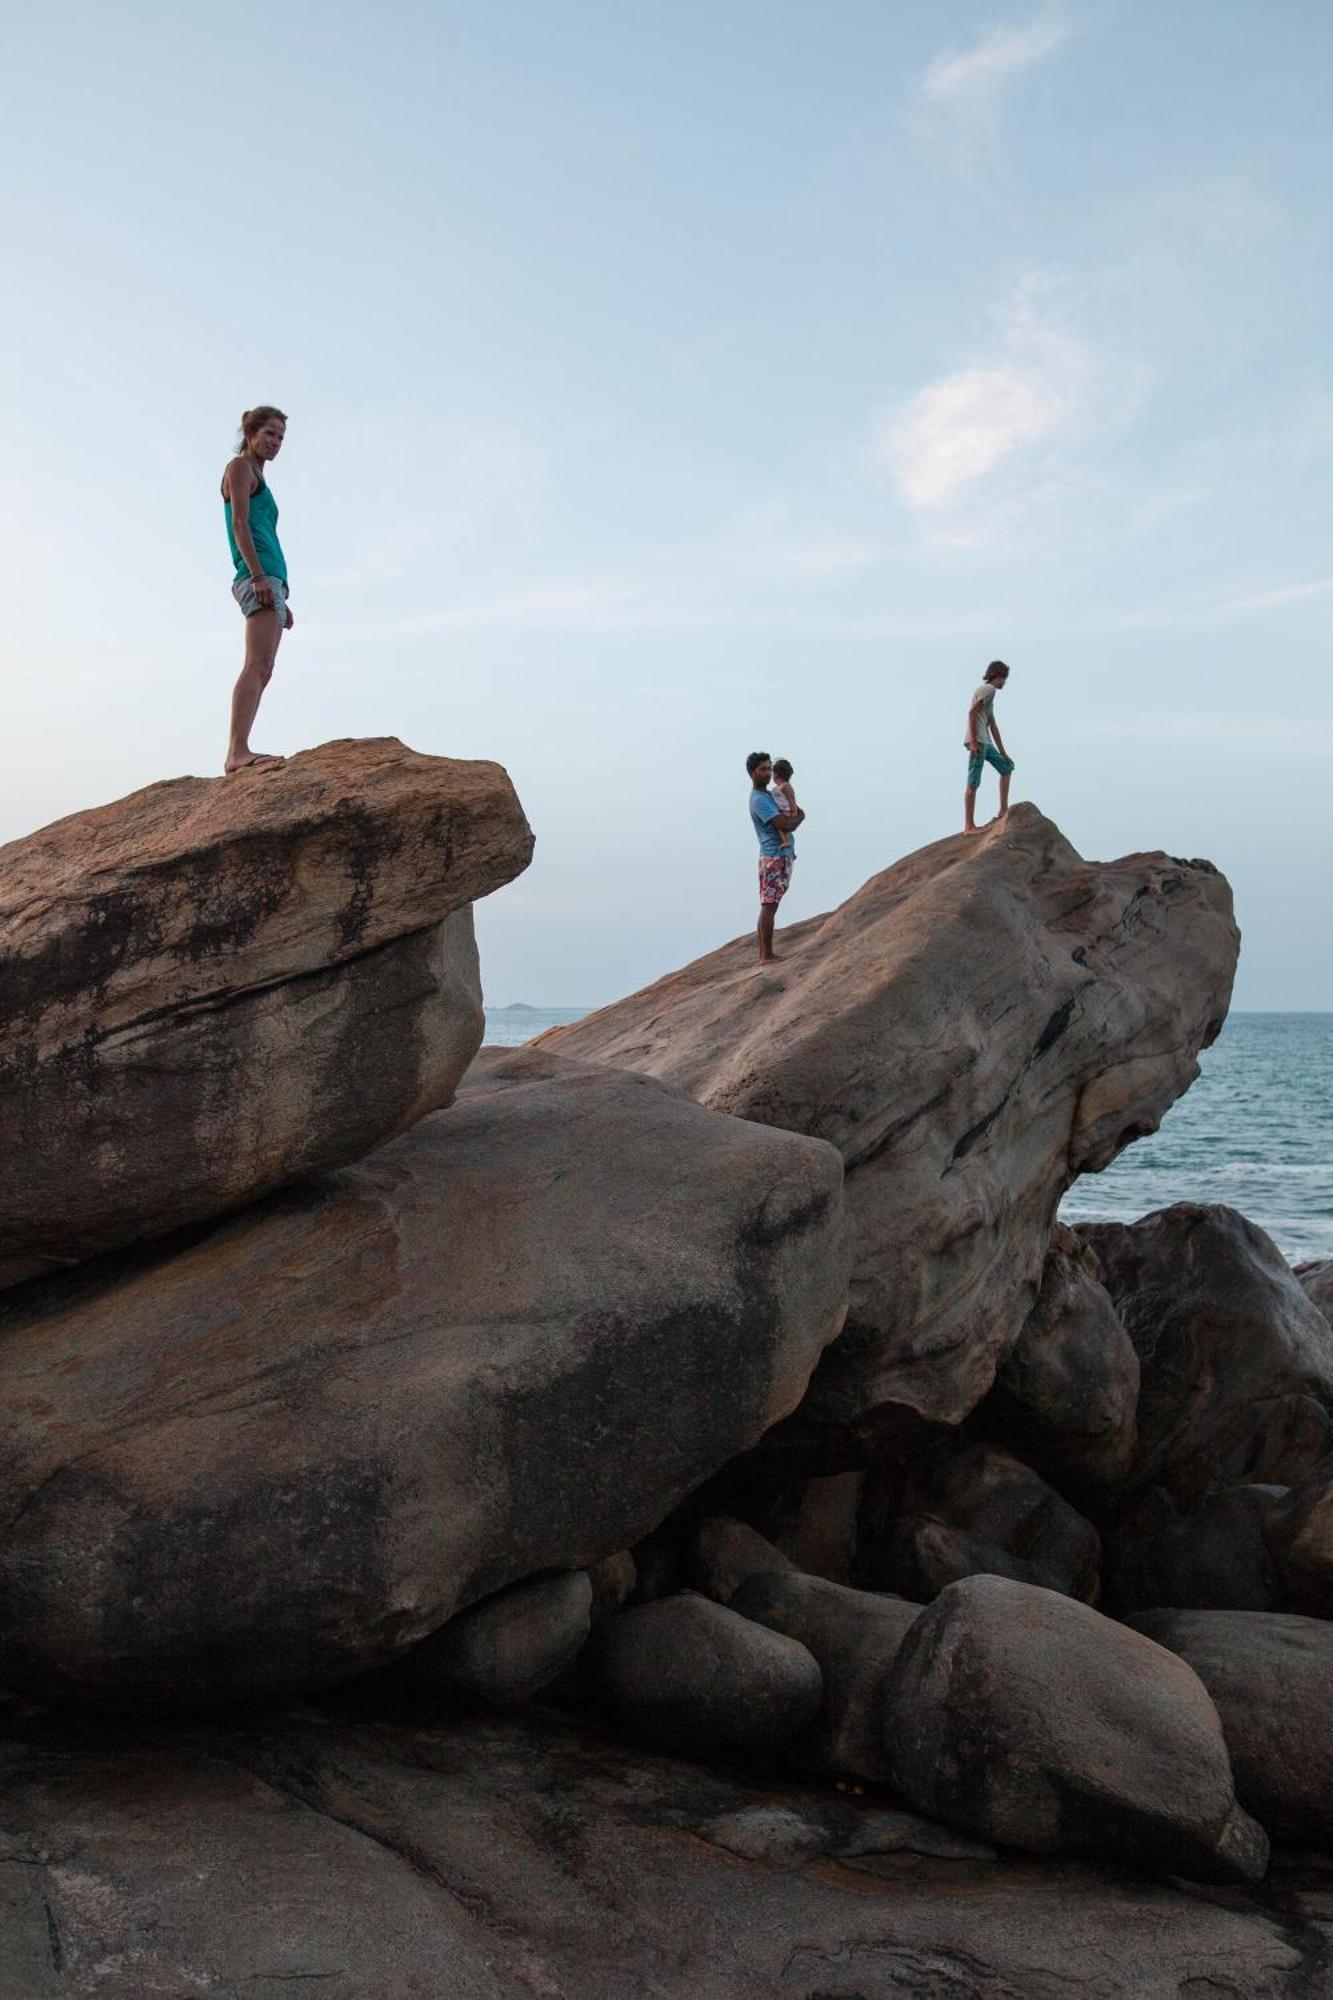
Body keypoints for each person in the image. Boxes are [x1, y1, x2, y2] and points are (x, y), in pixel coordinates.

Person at [222, 405, 293, 773]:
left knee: (265, 666)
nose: (276, 442)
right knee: (256, 664)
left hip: (271, 579)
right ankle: (237, 752)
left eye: (280, 437)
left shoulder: (259, 476)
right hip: (258, 576)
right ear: (250, 434)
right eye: (269, 434)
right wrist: (259, 576)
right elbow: (240, 524)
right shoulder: (240, 468)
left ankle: (240, 748)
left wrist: (283, 594)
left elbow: (268, 533)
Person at [747, 750, 805, 964]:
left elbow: (790, 813)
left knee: (771, 904)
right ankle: (766, 955)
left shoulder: (768, 795)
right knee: (769, 905)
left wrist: (797, 815)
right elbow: (785, 823)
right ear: (752, 773)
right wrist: (801, 817)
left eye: (769, 768)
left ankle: (766, 954)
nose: (768, 772)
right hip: (773, 857)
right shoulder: (759, 800)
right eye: (763, 769)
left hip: (779, 856)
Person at [964, 660, 1014, 833]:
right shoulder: (989, 690)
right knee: (973, 782)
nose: (1004, 683)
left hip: (985, 741)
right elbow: (971, 713)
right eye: (1003, 678)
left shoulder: (989, 695)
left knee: (1007, 768)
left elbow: (993, 726)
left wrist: (1003, 753)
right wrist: (974, 742)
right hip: (978, 741)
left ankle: (1003, 810)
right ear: (997, 676)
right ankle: (969, 826)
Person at [770, 758, 798, 852]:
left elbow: (792, 800)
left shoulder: (786, 786)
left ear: (776, 774)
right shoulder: (777, 787)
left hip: (785, 811)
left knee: (781, 827)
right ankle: (787, 843)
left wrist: (793, 813)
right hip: (779, 811)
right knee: (779, 827)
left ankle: (786, 841)